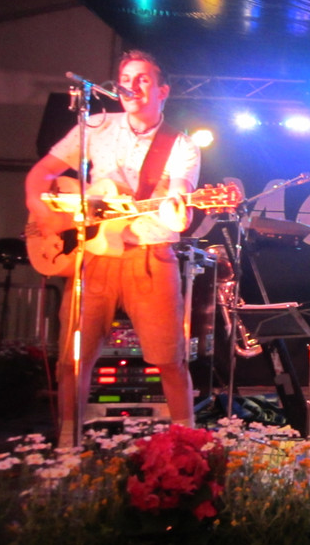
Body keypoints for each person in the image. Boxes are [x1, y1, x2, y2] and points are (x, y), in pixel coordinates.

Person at [26, 50, 199, 447]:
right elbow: (43, 172)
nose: (131, 86)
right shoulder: (95, 125)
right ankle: (68, 444)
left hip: (150, 254)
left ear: (162, 91)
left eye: (142, 79)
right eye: (125, 79)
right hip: (95, 256)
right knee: (74, 357)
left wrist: (179, 210)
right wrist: (43, 212)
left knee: (169, 359)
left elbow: (180, 199)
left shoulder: (181, 145)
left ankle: (187, 446)